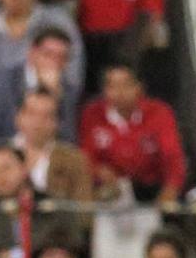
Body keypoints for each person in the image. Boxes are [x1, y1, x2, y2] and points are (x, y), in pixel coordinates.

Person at [78, 63, 185, 201]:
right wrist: (98, 171)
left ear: (139, 88)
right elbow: (85, 157)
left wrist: (170, 190)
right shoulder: (92, 114)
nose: (120, 92)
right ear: (104, 91)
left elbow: (172, 157)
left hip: (148, 193)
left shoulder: (159, 112)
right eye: (112, 86)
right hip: (108, 194)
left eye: (126, 85)